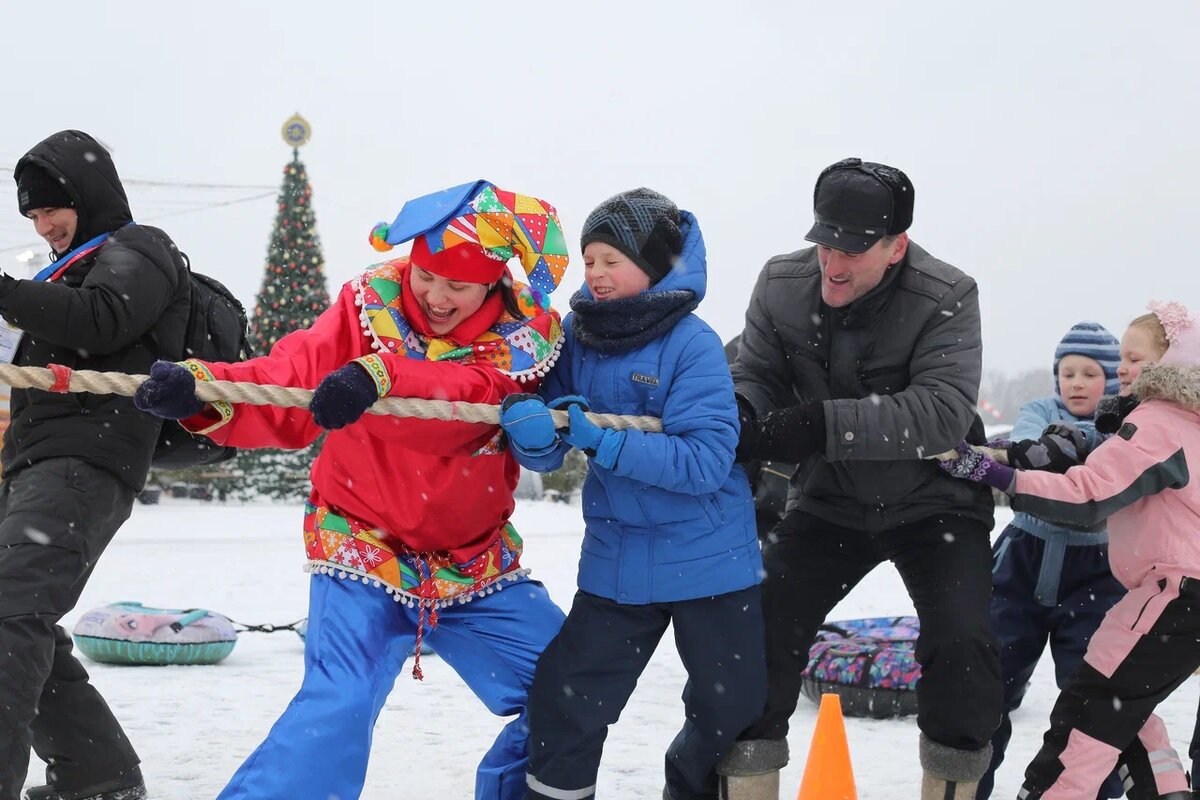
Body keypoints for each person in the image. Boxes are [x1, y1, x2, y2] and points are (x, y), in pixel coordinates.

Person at [134, 179, 570, 800]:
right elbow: (290, 378)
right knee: (337, 704)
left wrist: (383, 377)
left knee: (569, 687)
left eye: (458, 285)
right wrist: (205, 390)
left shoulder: (523, 340)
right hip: (361, 544)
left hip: (476, 563)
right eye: (426, 274)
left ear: (492, 284)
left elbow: (471, 404)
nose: (436, 296)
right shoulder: (369, 307)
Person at [727, 158, 1000, 800]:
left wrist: (812, 427)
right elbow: (757, 374)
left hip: (936, 504)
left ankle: (951, 786)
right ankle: (747, 784)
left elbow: (940, 413)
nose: (833, 263)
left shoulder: (948, 295)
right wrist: (742, 412)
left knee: (964, 645)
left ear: (896, 245)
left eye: (853, 249)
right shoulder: (779, 283)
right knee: (758, 631)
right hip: (830, 502)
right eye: (824, 243)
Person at [498, 189, 765, 800]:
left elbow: (704, 461)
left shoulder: (692, 343)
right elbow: (552, 436)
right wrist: (533, 434)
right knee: (566, 702)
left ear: (653, 264)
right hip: (618, 561)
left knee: (727, 713)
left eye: (610, 259)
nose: (594, 273)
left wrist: (606, 442)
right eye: (589, 260)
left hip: (711, 563)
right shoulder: (576, 334)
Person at [939, 301, 1200, 800]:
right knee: (1123, 707)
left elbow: (1088, 496)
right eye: (1119, 357)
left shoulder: (1159, 422)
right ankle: (1166, 790)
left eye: (1134, 358)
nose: (1122, 369)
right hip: (1171, 595)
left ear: (1173, 363)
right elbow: (1069, 447)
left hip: (1171, 593)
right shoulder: (1184, 423)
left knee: (1088, 712)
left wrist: (997, 475)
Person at [1, 130, 192, 800]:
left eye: (54, 207)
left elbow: (106, 318)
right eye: (31, 215)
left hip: (86, 460)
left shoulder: (139, 248)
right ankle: (96, 775)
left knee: (9, 612)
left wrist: (4, 292)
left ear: (92, 197)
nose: (44, 224)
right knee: (17, 613)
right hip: (37, 466)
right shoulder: (69, 270)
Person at [977, 322, 1126, 800]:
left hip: (1097, 572)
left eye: (1089, 373)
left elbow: (1104, 461)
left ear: (1113, 381)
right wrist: (1059, 451)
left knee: (1089, 697)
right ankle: (969, 786)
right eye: (1067, 373)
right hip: (1022, 559)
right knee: (986, 690)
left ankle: (1091, 791)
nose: (1076, 383)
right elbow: (1029, 455)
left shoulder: (1126, 424)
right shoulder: (1036, 410)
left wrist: (1067, 446)